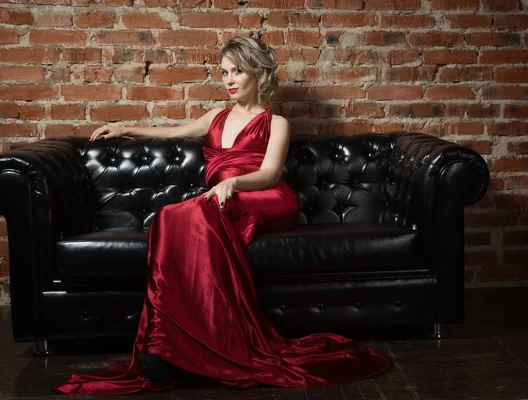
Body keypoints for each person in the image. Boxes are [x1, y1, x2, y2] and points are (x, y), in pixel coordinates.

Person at [55, 36, 390, 396]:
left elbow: (271, 174)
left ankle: (187, 344)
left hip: (268, 197)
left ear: (258, 74)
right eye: (224, 72)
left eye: (238, 71)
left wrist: (233, 182)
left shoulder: (275, 122)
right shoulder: (216, 116)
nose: (229, 80)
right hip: (222, 197)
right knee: (171, 217)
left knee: (195, 211)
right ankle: (163, 345)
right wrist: (123, 129)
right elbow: (172, 133)